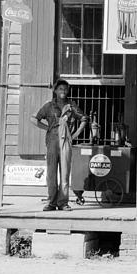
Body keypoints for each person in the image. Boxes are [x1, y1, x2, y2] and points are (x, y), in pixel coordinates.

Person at [31, 79, 87, 212]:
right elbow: (34, 119)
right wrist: (47, 128)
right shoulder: (49, 106)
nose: (63, 91)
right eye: (60, 89)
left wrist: (74, 135)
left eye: (65, 89)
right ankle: (51, 202)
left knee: (65, 172)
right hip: (52, 141)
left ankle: (63, 203)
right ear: (55, 90)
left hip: (65, 141)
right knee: (51, 173)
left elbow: (84, 119)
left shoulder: (71, 105)